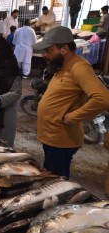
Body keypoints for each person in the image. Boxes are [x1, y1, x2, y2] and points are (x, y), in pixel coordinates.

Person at [33, 26, 109, 178]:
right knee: (49, 176)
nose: (45, 54)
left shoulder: (79, 67)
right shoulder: (61, 66)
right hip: (51, 137)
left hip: (61, 140)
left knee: (56, 182)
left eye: (49, 50)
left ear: (64, 49)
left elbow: (103, 98)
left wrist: (72, 117)